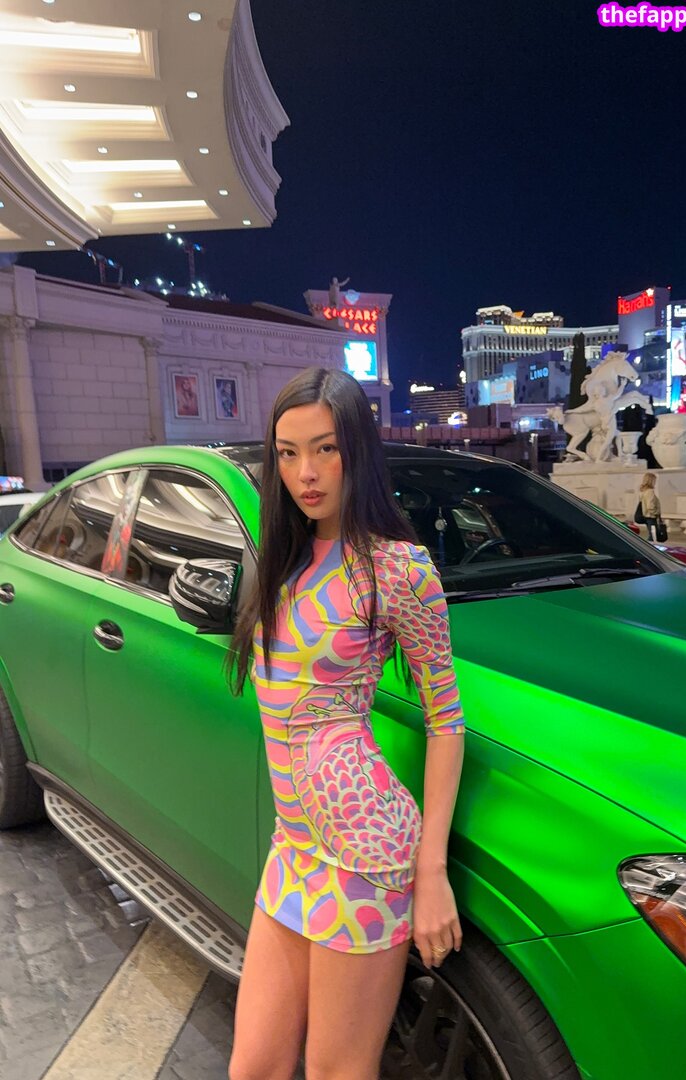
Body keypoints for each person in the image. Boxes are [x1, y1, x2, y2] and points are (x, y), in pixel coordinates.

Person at [227, 367, 465, 1080]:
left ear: (356, 450)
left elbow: (446, 720)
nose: (306, 473)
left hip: (364, 854)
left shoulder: (398, 569)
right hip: (293, 849)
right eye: (288, 452)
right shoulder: (283, 560)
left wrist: (431, 871)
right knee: (253, 1068)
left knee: (337, 1072)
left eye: (325, 449)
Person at [639, 472, 662, 541]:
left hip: (646, 515)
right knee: (653, 535)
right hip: (651, 516)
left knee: (651, 534)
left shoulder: (643, 491)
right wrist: (655, 512)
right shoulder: (650, 492)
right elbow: (650, 506)